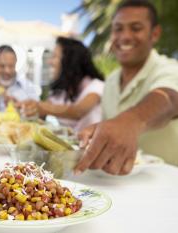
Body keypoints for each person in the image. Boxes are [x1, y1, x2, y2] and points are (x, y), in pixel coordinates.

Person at [75, 0, 178, 176]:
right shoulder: (111, 81)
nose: (125, 36)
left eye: (136, 28)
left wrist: (131, 121)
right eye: (118, 29)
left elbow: (169, 99)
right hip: (118, 185)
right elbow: (112, 130)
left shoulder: (170, 69)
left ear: (155, 34)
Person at [18, 37, 104, 132]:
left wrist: (42, 107)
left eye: (54, 56)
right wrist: (24, 106)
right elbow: (42, 112)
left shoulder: (97, 86)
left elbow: (78, 111)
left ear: (69, 61)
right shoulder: (61, 92)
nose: (49, 62)